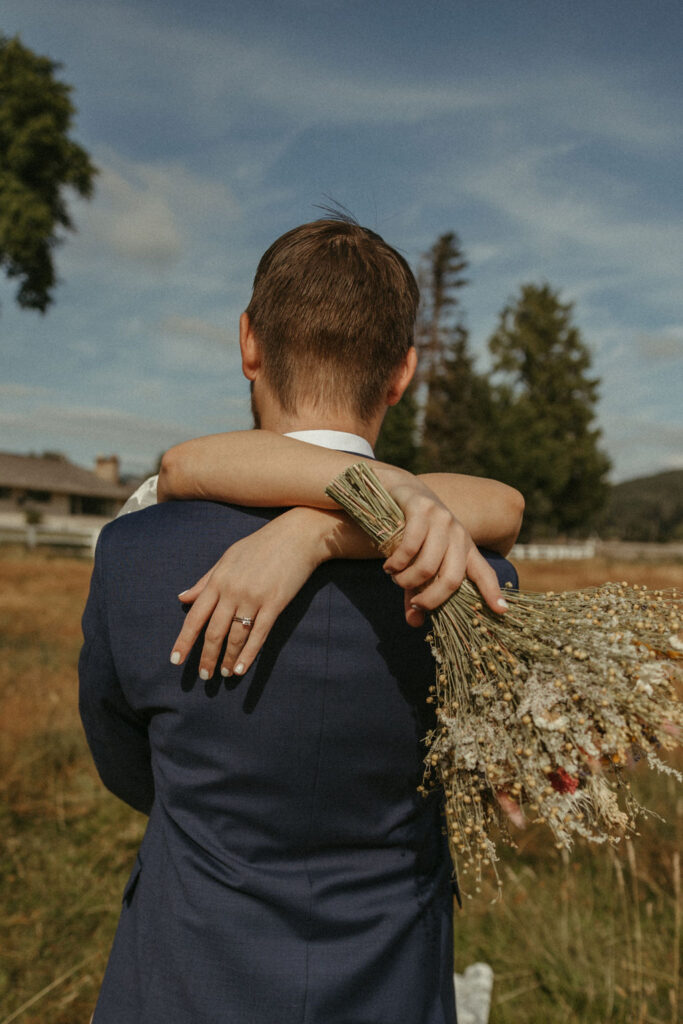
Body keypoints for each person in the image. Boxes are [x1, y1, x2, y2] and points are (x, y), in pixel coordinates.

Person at [79, 218, 523, 1024]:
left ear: (249, 343)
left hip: (183, 981)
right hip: (393, 985)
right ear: (402, 374)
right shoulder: (479, 585)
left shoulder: (134, 556)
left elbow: (122, 761)